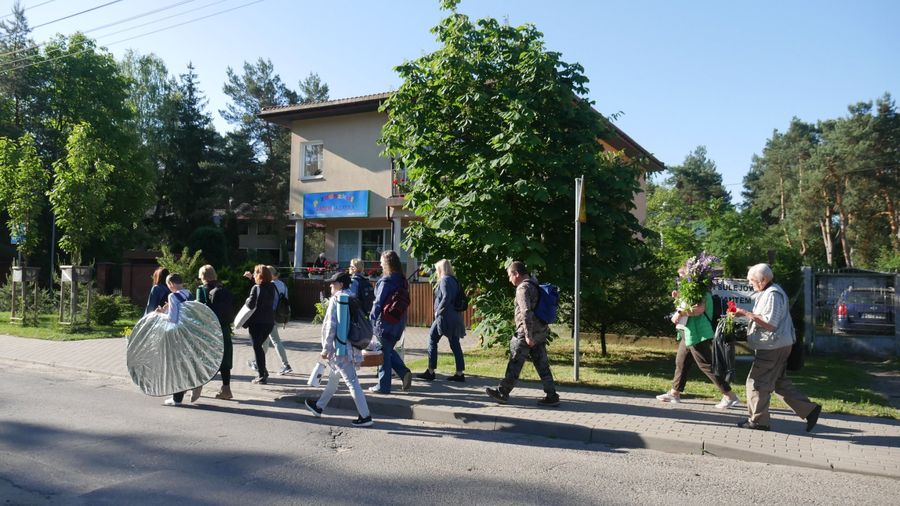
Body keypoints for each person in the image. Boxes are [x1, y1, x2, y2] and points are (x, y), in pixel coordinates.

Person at [733, 263, 822, 432]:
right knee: (778, 383)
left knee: (756, 383)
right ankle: (809, 410)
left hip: (772, 347)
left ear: (763, 279)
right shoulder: (769, 292)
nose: (750, 284)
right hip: (778, 345)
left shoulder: (773, 294)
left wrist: (745, 313)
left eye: (752, 281)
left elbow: (770, 324)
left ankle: (759, 421)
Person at [656, 262, 740, 409]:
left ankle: (730, 395)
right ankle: (674, 393)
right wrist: (678, 297)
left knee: (706, 364)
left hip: (697, 333)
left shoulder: (699, 290)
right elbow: (688, 304)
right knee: (681, 362)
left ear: (691, 276)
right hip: (688, 331)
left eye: (682, 276)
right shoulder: (692, 290)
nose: (680, 279)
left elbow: (698, 309)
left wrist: (680, 313)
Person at [303, 271, 374, 427]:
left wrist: (325, 348)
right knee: (334, 379)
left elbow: (330, 326)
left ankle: (365, 416)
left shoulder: (337, 300)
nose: (330, 285)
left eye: (333, 283)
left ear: (340, 284)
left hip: (341, 348)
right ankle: (319, 407)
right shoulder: (352, 297)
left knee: (352, 382)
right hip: (351, 345)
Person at [486, 261, 560, 407]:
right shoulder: (534, 284)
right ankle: (552, 395)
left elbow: (526, 312)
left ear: (516, 274)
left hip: (527, 333)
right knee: (542, 364)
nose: (509, 279)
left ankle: (503, 392)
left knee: (515, 362)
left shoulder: (522, 288)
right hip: (540, 332)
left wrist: (527, 335)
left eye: (509, 276)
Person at [369, 250, 412, 394]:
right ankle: (403, 372)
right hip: (398, 322)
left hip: (385, 322)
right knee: (387, 350)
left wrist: (371, 319)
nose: (380, 263)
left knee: (383, 354)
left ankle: (384, 386)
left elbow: (378, 302)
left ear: (387, 263)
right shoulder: (403, 281)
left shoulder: (386, 281)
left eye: (381, 261)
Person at [155, 273, 201, 406]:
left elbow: (173, 319)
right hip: (190, 333)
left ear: (171, 284)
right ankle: (191, 385)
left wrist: (160, 315)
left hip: (178, 335)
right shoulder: (189, 294)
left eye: (168, 285)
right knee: (185, 363)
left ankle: (177, 398)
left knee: (177, 365)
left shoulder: (173, 296)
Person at [416, 259, 466, 382]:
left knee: (432, 339)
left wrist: (438, 310)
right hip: (455, 316)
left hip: (444, 317)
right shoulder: (455, 280)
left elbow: (446, 297)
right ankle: (460, 373)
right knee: (455, 344)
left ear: (440, 269)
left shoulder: (444, 280)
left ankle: (431, 371)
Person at [196, 265, 234, 400]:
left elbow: (200, 311)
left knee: (203, 357)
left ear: (203, 276)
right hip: (224, 329)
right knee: (225, 360)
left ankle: (198, 385)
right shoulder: (223, 289)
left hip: (208, 330)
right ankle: (226, 389)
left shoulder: (202, 290)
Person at [246, 266, 293, 375]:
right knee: (265, 341)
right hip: (280, 315)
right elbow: (286, 301)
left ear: (270, 274)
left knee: (275, 341)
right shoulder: (283, 285)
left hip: (270, 316)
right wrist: (287, 317)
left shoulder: (271, 285)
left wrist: (252, 279)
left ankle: (286, 364)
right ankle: (258, 363)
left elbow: (260, 290)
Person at [244, 264, 277, 385]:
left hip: (256, 323)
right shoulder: (272, 287)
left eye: (255, 273)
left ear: (259, 275)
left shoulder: (255, 288)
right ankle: (263, 372)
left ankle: (262, 375)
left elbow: (251, 305)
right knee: (259, 347)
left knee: (257, 348)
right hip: (269, 322)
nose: (253, 274)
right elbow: (262, 287)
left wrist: (247, 301)